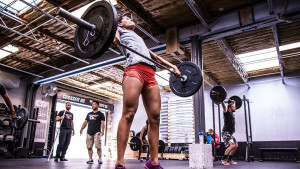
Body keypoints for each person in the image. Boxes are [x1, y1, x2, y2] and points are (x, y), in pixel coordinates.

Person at [113, 12, 181, 169]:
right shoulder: (119, 31)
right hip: (134, 70)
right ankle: (120, 162)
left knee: (155, 117)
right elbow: (111, 31)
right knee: (129, 113)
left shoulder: (138, 39)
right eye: (128, 19)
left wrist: (172, 66)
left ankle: (153, 161)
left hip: (150, 73)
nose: (132, 20)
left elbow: (153, 57)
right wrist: (115, 32)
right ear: (120, 24)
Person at [221, 100, 238, 165]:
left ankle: (229, 159)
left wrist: (234, 102)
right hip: (226, 132)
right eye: (233, 107)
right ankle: (223, 159)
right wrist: (222, 100)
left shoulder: (232, 114)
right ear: (230, 108)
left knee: (235, 145)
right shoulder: (227, 113)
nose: (235, 108)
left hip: (230, 133)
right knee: (232, 145)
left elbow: (233, 105)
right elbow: (224, 107)